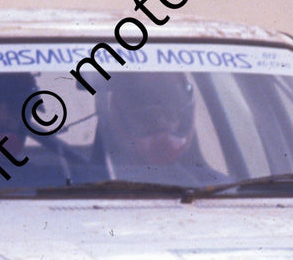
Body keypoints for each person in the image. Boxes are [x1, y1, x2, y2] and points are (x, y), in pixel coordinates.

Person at [95, 72, 227, 187]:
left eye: (169, 114)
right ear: (120, 119)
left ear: (184, 118)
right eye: (147, 117)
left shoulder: (224, 188)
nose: (161, 123)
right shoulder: (84, 180)